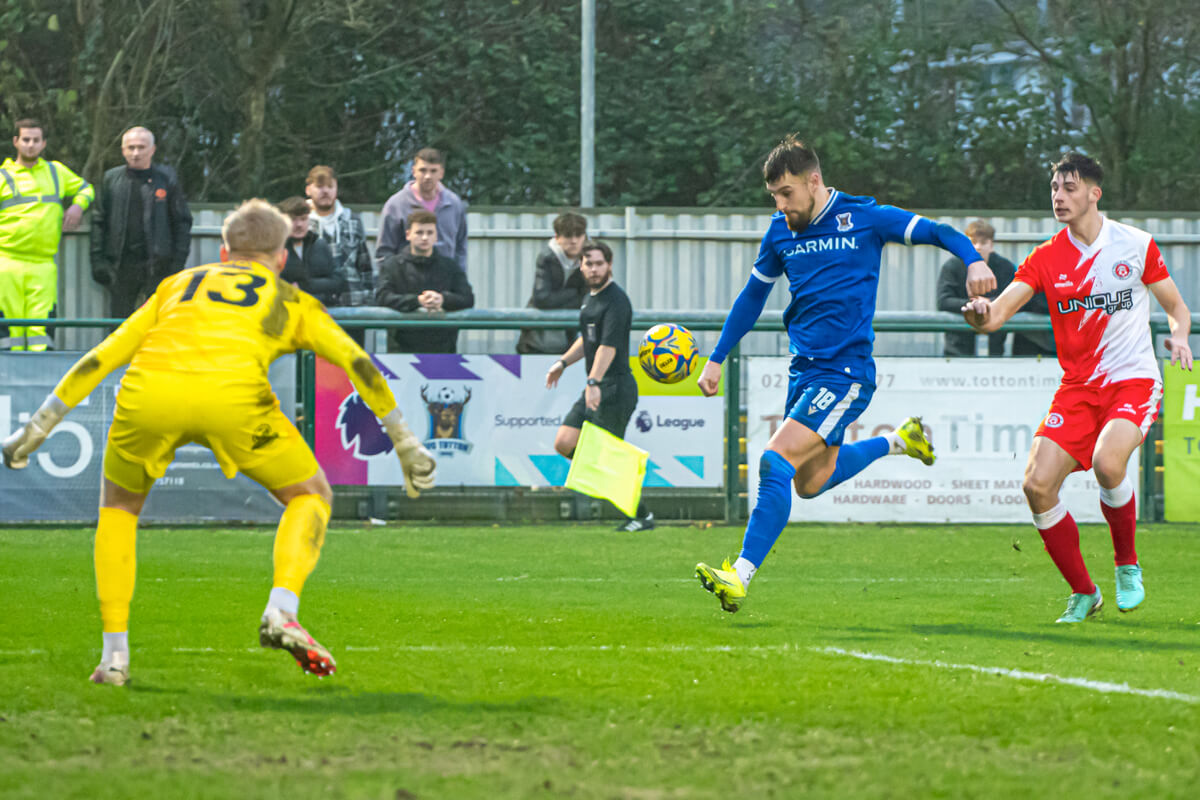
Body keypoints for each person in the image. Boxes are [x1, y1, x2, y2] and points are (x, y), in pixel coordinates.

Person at [0, 199, 437, 685]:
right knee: (310, 495)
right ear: (282, 257)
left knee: (119, 511)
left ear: (225, 251)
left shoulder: (177, 285)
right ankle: (282, 607)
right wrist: (403, 440)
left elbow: (105, 355)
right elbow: (357, 363)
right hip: (235, 401)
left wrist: (38, 426)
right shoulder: (291, 300)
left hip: (150, 395)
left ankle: (114, 658)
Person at [693, 134, 996, 613]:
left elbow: (938, 231)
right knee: (810, 483)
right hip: (804, 371)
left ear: (814, 181)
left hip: (846, 372)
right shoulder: (780, 231)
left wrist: (974, 259)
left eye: (787, 193)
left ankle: (739, 575)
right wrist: (717, 357)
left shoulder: (864, 217)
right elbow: (753, 297)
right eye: (773, 195)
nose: (780, 203)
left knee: (774, 462)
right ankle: (899, 441)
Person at [962, 153, 1193, 623]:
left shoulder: (1135, 244)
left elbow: (1176, 305)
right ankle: (1085, 592)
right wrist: (980, 315)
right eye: (1054, 188)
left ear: (1094, 193)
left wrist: (1181, 335)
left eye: (1068, 188)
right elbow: (1000, 314)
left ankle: (1127, 565)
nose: (1059, 197)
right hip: (1078, 388)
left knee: (1110, 464)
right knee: (1036, 485)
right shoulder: (1046, 257)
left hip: (1133, 380)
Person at [545, 240, 654, 532]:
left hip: (615, 388)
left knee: (606, 458)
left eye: (599, 263)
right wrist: (563, 363)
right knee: (565, 442)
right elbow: (588, 340)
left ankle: (641, 516)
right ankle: (618, 470)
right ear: (581, 266)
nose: (593, 269)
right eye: (588, 263)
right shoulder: (590, 298)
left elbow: (608, 347)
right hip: (596, 386)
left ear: (609, 265)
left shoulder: (616, 300)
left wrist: (593, 381)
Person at [0, 118, 94, 350]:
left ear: (43, 144)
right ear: (16, 141)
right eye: (26, 139)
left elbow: (86, 188)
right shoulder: (2, 175)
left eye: (36, 140)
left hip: (43, 263)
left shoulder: (56, 172)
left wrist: (77, 205)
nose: (30, 145)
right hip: (6, 261)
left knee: (39, 327)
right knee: (7, 328)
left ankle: (40, 374)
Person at [90, 126, 193, 318]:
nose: (135, 153)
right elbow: (98, 221)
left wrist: (177, 264)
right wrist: (98, 261)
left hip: (158, 266)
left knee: (158, 323)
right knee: (119, 326)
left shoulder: (166, 179)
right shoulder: (110, 179)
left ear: (152, 149)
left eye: (141, 147)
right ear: (123, 150)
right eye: (130, 148)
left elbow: (182, 223)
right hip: (121, 267)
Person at [937, 219, 1055, 357]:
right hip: (957, 349)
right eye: (973, 242)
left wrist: (987, 304)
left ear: (991, 245)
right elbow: (943, 301)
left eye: (983, 242)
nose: (978, 247)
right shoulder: (952, 267)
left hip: (996, 350)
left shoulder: (1005, 267)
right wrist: (977, 305)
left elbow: (1019, 299)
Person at [375, 209, 474, 353]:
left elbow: (467, 298)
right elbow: (382, 297)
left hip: (443, 349)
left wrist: (442, 300)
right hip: (401, 350)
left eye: (430, 233)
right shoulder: (392, 266)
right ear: (408, 234)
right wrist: (417, 301)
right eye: (419, 232)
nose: (425, 237)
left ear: (436, 236)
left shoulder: (450, 266)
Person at [375, 148, 468, 272]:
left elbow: (460, 248)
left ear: (441, 173)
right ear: (414, 171)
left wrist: (458, 282)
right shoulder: (396, 205)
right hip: (407, 282)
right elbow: (384, 251)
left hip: (444, 282)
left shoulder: (454, 204)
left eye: (433, 171)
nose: (428, 176)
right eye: (423, 170)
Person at [517, 211, 588, 355]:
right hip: (536, 340)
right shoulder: (547, 257)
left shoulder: (590, 258)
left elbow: (589, 299)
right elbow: (542, 298)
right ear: (557, 237)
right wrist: (573, 293)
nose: (574, 241)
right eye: (568, 235)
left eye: (578, 235)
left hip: (570, 340)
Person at [305, 165, 373, 306]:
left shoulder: (353, 221)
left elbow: (365, 267)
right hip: (315, 306)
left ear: (336, 189)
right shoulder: (301, 225)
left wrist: (369, 300)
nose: (325, 191)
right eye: (319, 186)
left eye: (330, 186)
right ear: (308, 190)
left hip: (353, 303)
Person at [278, 196, 346, 307]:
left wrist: (303, 286)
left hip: (322, 311)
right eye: (293, 219)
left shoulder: (320, 245)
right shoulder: (275, 250)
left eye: (303, 219)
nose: (299, 224)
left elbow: (338, 282)